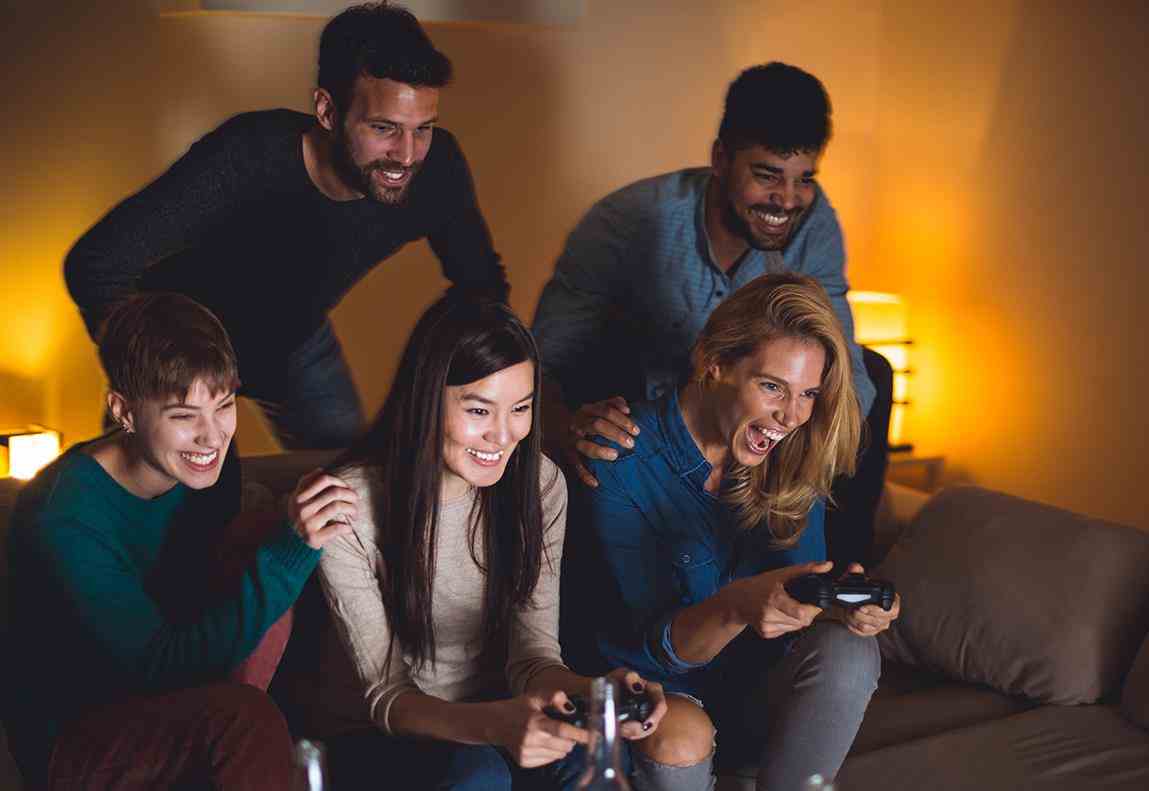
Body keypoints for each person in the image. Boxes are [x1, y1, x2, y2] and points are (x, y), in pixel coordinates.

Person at [64, 2, 508, 450]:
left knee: (353, 483)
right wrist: (153, 366)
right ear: (328, 111)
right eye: (383, 128)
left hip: (296, 343)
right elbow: (94, 264)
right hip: (182, 347)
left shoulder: (437, 169)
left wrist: (438, 390)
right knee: (161, 506)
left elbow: (481, 286)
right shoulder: (246, 156)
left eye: (423, 129)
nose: (407, 154)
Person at [305, 291, 701, 790]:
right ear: (425, 399)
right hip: (381, 735)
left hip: (506, 714)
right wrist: (498, 724)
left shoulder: (538, 482)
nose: (502, 435)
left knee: (596, 766)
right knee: (479, 773)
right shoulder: (349, 505)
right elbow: (387, 697)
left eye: (520, 408)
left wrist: (596, 694)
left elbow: (532, 657)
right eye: (477, 410)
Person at [532, 61, 892, 568]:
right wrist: (564, 427)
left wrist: (798, 437)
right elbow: (544, 361)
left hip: (752, 433)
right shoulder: (626, 220)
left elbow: (846, 368)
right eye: (766, 176)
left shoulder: (816, 222)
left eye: (803, 180)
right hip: (641, 427)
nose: (787, 200)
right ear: (721, 160)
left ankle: (844, 578)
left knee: (874, 372)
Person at [562, 273, 902, 790]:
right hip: (658, 694)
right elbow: (647, 648)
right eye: (771, 387)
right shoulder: (618, 456)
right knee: (682, 735)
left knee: (851, 649)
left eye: (808, 393)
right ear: (713, 362)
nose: (791, 416)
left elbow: (797, 603)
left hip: (754, 690)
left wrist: (848, 602)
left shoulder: (793, 455)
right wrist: (737, 606)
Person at [3, 292, 355, 790]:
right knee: (242, 718)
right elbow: (158, 667)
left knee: (266, 530)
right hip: (77, 733)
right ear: (123, 411)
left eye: (224, 405)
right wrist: (290, 550)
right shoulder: (63, 515)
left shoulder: (210, 474)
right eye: (184, 415)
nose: (212, 438)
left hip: (190, 688)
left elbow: (212, 594)